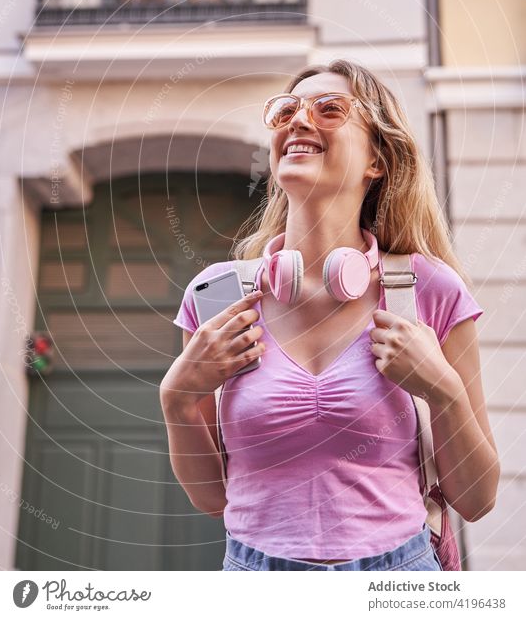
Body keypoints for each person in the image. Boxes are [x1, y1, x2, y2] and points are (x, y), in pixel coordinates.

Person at [160, 59, 500, 571]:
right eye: (287, 111)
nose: (299, 121)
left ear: (377, 161)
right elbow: (212, 499)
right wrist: (178, 399)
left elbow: (477, 499)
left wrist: (442, 390)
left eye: (329, 110)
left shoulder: (429, 291)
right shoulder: (217, 294)